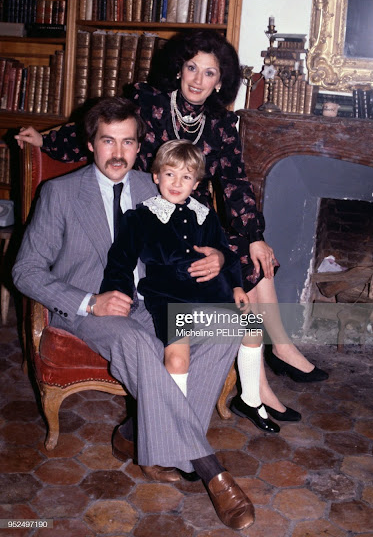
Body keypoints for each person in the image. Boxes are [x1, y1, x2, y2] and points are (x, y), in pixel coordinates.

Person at [15, 29, 327, 426]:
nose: (198, 79)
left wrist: (254, 237)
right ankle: (260, 378)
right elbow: (108, 133)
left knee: (251, 257)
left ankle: (267, 366)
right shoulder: (149, 104)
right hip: (151, 213)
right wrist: (46, 141)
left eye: (209, 73)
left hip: (190, 217)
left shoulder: (221, 124)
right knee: (233, 276)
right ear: (179, 68)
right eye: (192, 68)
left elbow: (235, 182)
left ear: (220, 82)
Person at [12, 97, 255, 531]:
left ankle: (136, 436)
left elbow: (202, 231)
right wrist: (91, 302)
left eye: (128, 142)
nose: (118, 152)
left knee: (228, 326)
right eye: (108, 141)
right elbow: (25, 270)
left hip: (153, 301)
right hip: (88, 308)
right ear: (91, 144)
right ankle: (209, 468)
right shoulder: (60, 193)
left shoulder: (157, 184)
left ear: (140, 146)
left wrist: (219, 257)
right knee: (137, 342)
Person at [101, 139, 292, 432]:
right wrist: (118, 295)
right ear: (156, 176)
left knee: (253, 329)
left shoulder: (205, 215)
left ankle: (250, 400)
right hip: (171, 299)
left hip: (211, 294)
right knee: (178, 359)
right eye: (170, 174)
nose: (177, 183)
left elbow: (225, 253)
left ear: (196, 183)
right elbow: (120, 262)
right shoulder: (140, 217)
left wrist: (236, 286)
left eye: (186, 177)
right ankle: (172, 428)